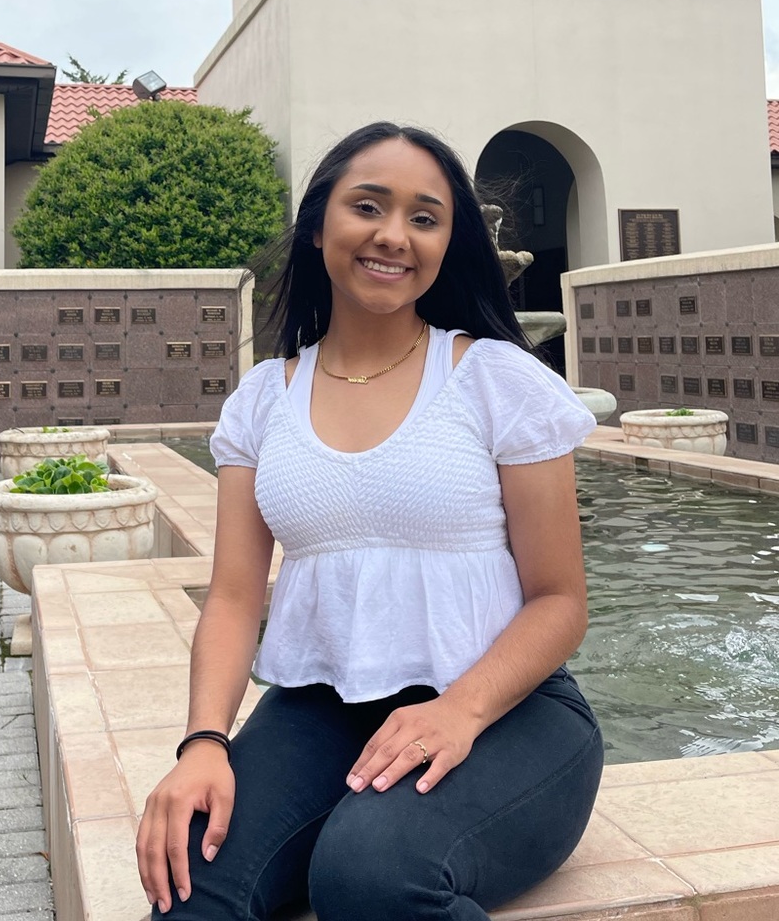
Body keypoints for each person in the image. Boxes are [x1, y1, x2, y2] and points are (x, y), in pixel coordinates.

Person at [136, 122, 604, 921]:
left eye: (425, 217)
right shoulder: (262, 401)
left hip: (507, 713)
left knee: (369, 876)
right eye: (368, 207)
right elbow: (234, 599)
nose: (394, 235)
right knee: (190, 885)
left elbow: (560, 601)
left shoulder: (496, 380)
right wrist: (204, 744)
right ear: (320, 225)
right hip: (320, 709)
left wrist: (459, 710)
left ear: (448, 245)